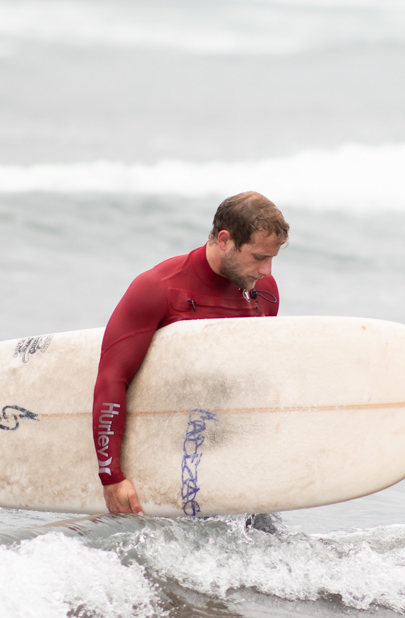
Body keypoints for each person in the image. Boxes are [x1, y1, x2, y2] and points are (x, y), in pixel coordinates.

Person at [94, 191, 288, 516]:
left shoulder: (265, 293)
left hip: (233, 471)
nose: (266, 270)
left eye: (272, 258)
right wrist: (111, 476)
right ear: (224, 240)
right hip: (167, 468)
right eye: (257, 257)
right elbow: (113, 378)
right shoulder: (159, 288)